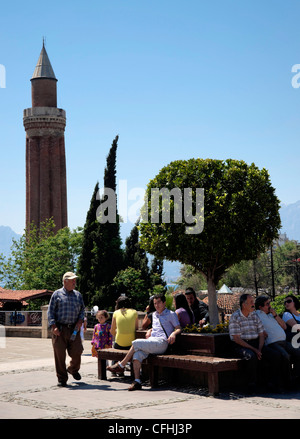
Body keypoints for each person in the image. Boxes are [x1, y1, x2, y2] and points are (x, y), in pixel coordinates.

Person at [107, 293, 181, 391]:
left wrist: (174, 334)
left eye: (159, 302)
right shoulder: (154, 315)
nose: (157, 305)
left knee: (136, 342)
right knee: (137, 355)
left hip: (162, 343)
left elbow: (179, 328)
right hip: (152, 341)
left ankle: (121, 365)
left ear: (164, 303)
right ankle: (137, 381)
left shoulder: (171, 314)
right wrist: (150, 330)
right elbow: (156, 327)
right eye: (155, 303)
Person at [229, 293, 282, 393]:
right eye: (251, 302)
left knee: (276, 355)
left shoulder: (254, 315)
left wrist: (260, 349)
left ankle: (272, 383)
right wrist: (255, 350)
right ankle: (251, 385)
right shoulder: (235, 317)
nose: (254, 304)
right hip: (241, 345)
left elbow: (261, 334)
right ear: (244, 305)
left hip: (256, 343)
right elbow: (237, 339)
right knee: (251, 356)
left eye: (253, 302)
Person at [48, 272, 85, 387]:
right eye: (72, 280)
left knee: (77, 351)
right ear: (65, 281)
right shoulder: (56, 294)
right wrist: (54, 327)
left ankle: (73, 369)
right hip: (60, 329)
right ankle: (62, 378)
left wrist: (80, 321)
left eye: (75, 280)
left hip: (74, 329)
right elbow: (50, 312)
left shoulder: (78, 295)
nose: (75, 282)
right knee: (59, 355)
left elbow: (82, 310)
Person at [255, 295, 300, 388]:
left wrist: (275, 315)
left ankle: (296, 378)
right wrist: (260, 330)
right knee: (286, 356)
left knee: (298, 352)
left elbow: (284, 326)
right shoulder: (257, 314)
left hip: (283, 341)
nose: (270, 306)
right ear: (260, 307)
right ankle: (288, 382)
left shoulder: (272, 315)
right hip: (273, 343)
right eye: (267, 304)